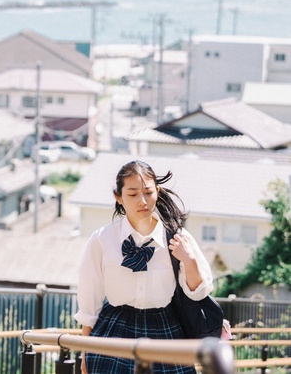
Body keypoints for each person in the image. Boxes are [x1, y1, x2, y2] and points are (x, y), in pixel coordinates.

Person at [74, 160, 213, 374]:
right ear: (118, 197)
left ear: (157, 191)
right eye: (132, 194)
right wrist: (85, 351)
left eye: (148, 192)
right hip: (114, 330)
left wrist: (189, 261)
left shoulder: (178, 237)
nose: (142, 201)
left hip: (164, 329)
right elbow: (89, 302)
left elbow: (198, 293)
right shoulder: (102, 239)